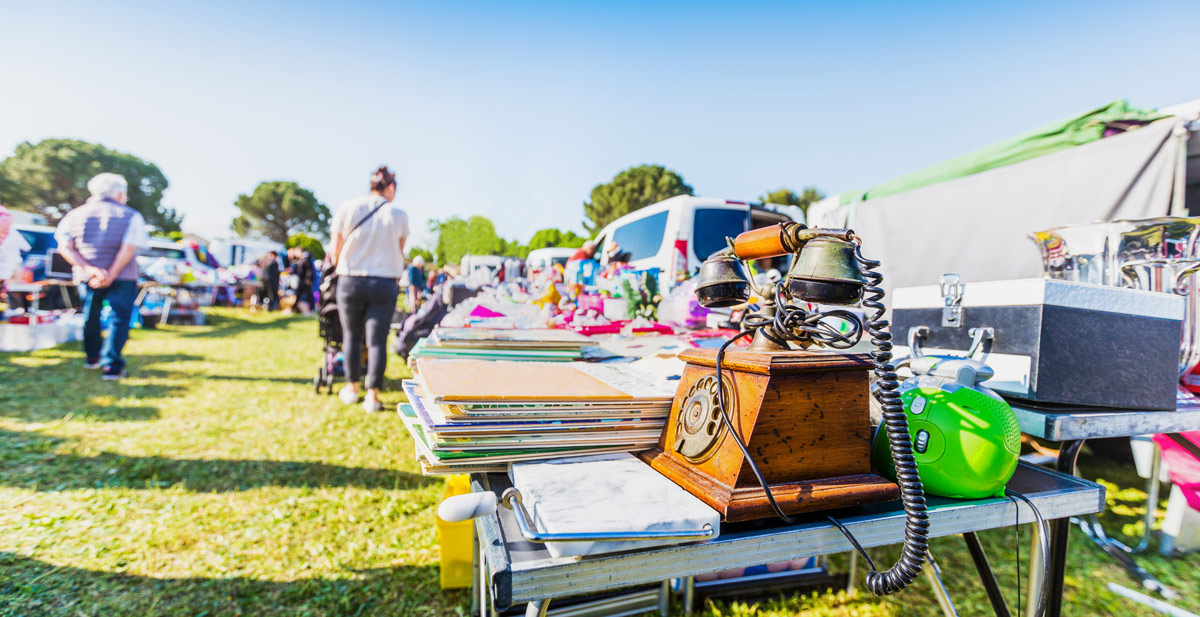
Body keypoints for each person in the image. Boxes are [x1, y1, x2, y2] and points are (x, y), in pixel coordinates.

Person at [53, 173, 150, 380]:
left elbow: (65, 247)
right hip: (122, 276)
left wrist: (90, 269)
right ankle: (111, 366)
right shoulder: (130, 215)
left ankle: (92, 357)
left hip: (87, 276)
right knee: (119, 319)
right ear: (120, 194)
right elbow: (129, 247)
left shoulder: (73, 215)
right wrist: (111, 274)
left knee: (91, 316)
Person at [329, 165, 408, 412]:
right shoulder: (398, 214)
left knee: (351, 337)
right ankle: (372, 396)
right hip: (384, 282)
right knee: (377, 341)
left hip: (351, 280)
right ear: (390, 187)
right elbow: (400, 250)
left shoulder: (347, 207)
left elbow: (334, 249)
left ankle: (352, 388)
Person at [290, 248, 315, 315]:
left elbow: (309, 270)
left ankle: (312, 308)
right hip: (301, 280)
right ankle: (294, 308)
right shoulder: (301, 259)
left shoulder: (306, 259)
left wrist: (308, 279)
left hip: (305, 280)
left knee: (308, 294)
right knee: (299, 294)